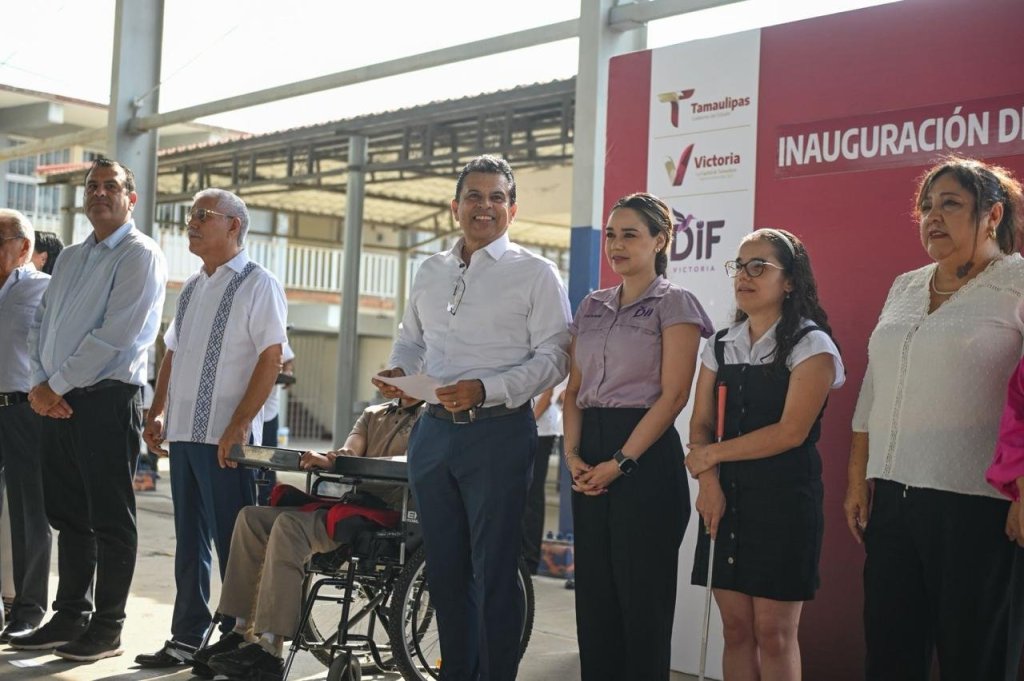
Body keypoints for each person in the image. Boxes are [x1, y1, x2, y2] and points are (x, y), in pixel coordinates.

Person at [372, 155, 571, 681]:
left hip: (498, 433)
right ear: (454, 207)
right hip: (432, 434)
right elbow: (411, 339)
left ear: (513, 209)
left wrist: (486, 389)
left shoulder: (535, 273)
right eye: (474, 197)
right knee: (443, 569)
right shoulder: (430, 270)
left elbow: (556, 357)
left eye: (497, 197)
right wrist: (400, 371)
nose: (485, 206)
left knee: (495, 570)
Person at [844, 156, 1024, 681]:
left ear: (992, 215)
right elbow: (874, 385)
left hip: (981, 506)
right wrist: (858, 476)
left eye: (951, 204)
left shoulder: (1018, 281)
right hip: (894, 501)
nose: (933, 217)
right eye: (926, 207)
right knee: (890, 655)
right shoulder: (905, 285)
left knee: (977, 659)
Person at [16, 158, 167, 661]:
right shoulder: (73, 257)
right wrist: (40, 384)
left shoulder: (140, 255)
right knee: (68, 515)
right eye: (92, 186)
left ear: (131, 198)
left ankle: (107, 628)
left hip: (105, 399)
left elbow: (115, 337)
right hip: (57, 402)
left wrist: (52, 386)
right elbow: (40, 324)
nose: (99, 193)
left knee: (110, 518)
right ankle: (70, 616)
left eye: (111, 186)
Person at [135, 188, 288, 669]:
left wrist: (240, 424)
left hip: (227, 443)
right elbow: (173, 352)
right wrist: (158, 410)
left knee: (234, 543)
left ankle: (239, 637)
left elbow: (271, 357)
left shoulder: (259, 283)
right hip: (184, 436)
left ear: (234, 225)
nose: (192, 224)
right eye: (191, 216)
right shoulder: (193, 286)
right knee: (189, 541)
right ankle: (186, 636)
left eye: (203, 215)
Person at [564, 192, 712, 681]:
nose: (616, 245)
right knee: (595, 600)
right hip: (589, 456)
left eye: (630, 234)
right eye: (611, 234)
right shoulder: (591, 305)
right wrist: (572, 456)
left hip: (644, 459)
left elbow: (674, 396)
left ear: (660, 240)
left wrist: (621, 462)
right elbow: (574, 391)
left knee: (643, 603)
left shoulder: (675, 303)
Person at [685, 228, 843, 681]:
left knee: (774, 633)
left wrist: (710, 456)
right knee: (736, 631)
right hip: (725, 499)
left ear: (790, 281)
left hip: (783, 501)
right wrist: (709, 484)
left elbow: (791, 432)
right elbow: (699, 424)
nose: (744, 276)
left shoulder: (812, 345)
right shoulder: (720, 343)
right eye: (739, 266)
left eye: (759, 267)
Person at [194, 397, 423, 680]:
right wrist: (331, 459)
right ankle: (240, 631)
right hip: (355, 503)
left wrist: (339, 460)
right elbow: (349, 451)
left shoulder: (430, 416)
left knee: (289, 526)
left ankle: (271, 647)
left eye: (395, 375)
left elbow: (411, 461)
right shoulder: (373, 413)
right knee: (251, 518)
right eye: (385, 375)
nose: (386, 380)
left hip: (392, 514)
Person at [0, 211, 51, 644]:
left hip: (24, 410)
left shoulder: (43, 289)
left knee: (29, 512)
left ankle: (28, 610)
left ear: (24, 247)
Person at [522, 379, 565, 575]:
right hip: (517, 431)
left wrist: (526, 423)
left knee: (532, 495)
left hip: (540, 432)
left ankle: (530, 559)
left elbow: (548, 394)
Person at [255, 342, 295, 506]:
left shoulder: (276, 338)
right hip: (246, 413)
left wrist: (287, 373)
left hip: (268, 412)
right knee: (247, 459)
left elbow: (288, 360)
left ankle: (267, 501)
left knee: (269, 460)